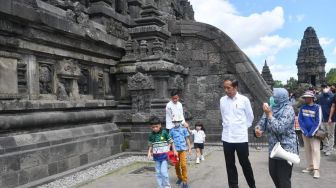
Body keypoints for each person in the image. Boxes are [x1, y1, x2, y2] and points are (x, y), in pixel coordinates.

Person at [255, 88, 298, 188]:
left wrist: (269, 115)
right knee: (273, 174)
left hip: (286, 150)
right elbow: (262, 123)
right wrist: (258, 130)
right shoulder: (271, 107)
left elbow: (280, 128)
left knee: (283, 180)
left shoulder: (288, 109)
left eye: (274, 97)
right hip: (273, 150)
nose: (272, 98)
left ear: (281, 98)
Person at [220, 78, 256, 188]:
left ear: (235, 87)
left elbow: (250, 117)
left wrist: (241, 128)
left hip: (241, 138)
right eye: (224, 88)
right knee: (230, 165)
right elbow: (223, 116)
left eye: (228, 88)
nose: (226, 90)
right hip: (227, 138)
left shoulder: (244, 100)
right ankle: (233, 186)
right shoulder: (222, 100)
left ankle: (252, 185)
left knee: (245, 164)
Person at [148, 116, 177, 188]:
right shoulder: (151, 135)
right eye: (153, 127)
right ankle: (160, 186)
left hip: (164, 157)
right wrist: (149, 152)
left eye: (156, 126)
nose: (155, 128)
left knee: (164, 172)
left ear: (160, 125)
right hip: (156, 157)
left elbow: (171, 141)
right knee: (158, 173)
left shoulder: (164, 133)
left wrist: (174, 150)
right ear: (150, 127)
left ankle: (167, 186)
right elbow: (150, 144)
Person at [298, 90, 322, 179]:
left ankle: (316, 170)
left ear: (312, 98)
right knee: (307, 150)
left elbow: (318, 121)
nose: (305, 99)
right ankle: (310, 166)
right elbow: (300, 120)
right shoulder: (302, 107)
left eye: (307, 97)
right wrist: (304, 131)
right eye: (305, 97)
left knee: (315, 150)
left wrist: (311, 132)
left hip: (314, 133)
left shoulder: (317, 107)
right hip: (305, 133)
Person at [169, 116, 192, 188]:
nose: (176, 123)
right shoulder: (171, 130)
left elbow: (187, 139)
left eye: (177, 121)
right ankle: (179, 177)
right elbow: (170, 141)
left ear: (180, 121)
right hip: (175, 150)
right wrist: (168, 149)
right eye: (175, 122)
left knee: (183, 165)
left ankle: (185, 181)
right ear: (173, 122)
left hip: (182, 150)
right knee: (176, 165)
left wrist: (190, 147)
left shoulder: (184, 129)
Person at [318, 84, 334, 156]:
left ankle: (330, 149)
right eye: (323, 88)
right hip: (322, 118)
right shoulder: (320, 96)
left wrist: (330, 118)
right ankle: (325, 147)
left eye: (325, 87)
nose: (324, 89)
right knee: (323, 134)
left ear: (328, 88)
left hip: (331, 119)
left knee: (331, 135)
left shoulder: (332, 96)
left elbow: (333, 107)